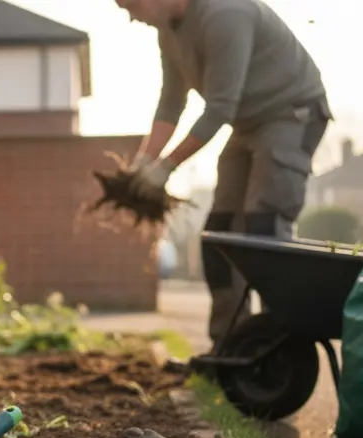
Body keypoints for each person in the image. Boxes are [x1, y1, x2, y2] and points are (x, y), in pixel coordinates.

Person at [114, 0, 332, 349]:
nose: (130, 16)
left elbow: (219, 107)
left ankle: (278, 345)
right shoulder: (168, 32)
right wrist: (144, 162)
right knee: (218, 235)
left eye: (131, 5)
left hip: (291, 113)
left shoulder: (225, 13)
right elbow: (171, 101)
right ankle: (231, 346)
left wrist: (168, 167)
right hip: (246, 124)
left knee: (264, 226)